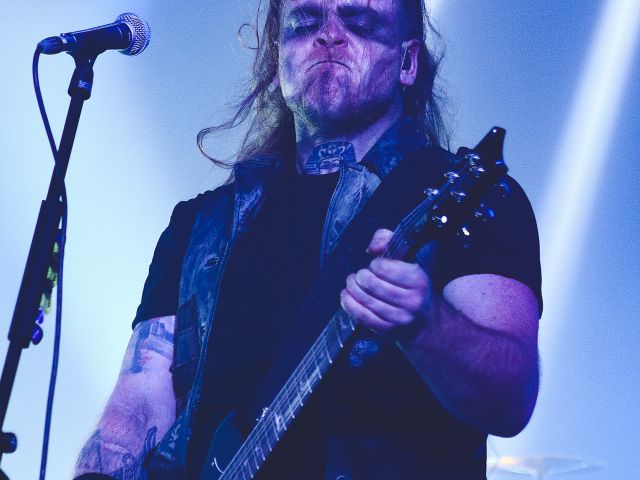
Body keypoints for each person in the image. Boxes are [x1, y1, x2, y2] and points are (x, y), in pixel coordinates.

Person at [74, 0, 542, 478]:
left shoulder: (463, 196)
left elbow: (511, 399)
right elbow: (138, 403)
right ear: (277, 60)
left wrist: (428, 328)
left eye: (359, 22)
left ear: (407, 63)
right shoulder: (201, 226)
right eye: (305, 23)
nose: (329, 35)